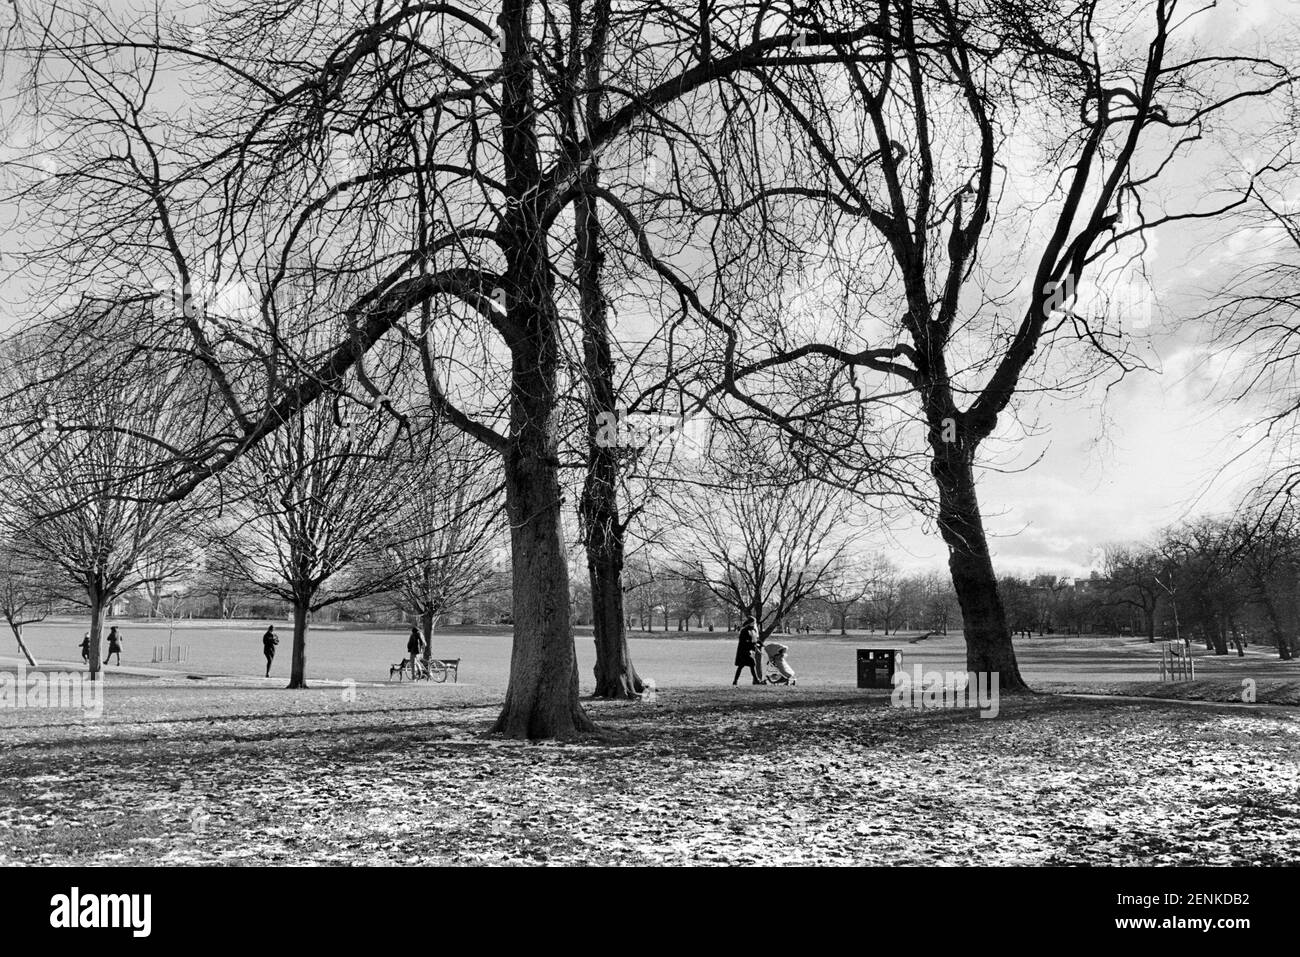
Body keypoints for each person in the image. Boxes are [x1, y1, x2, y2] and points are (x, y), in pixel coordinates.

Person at [732, 615, 762, 685]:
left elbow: (756, 639)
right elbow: (742, 641)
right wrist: (751, 643)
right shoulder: (744, 630)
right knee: (744, 666)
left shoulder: (753, 630)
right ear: (750, 622)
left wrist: (761, 644)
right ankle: (735, 681)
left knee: (750, 665)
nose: (755, 624)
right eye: (754, 622)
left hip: (751, 650)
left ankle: (756, 680)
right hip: (744, 651)